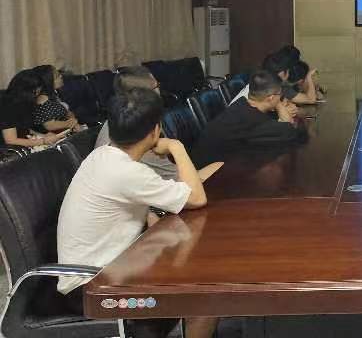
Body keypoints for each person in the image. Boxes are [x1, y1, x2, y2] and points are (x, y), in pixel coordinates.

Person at [57, 88, 217, 338]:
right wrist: (176, 146)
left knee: (192, 273)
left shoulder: (103, 156)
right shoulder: (127, 172)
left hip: (112, 269)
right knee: (203, 300)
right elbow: (197, 198)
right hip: (96, 291)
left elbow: (140, 213)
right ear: (155, 130)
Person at [94, 67, 223, 181]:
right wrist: (176, 147)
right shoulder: (140, 133)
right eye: (157, 86)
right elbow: (186, 185)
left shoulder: (113, 123)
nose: (160, 91)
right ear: (148, 95)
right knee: (219, 165)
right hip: (160, 193)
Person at [192, 71, 301, 168]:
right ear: (271, 98)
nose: (281, 98)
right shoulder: (254, 120)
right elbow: (289, 129)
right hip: (207, 175)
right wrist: (279, 105)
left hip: (206, 162)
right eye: (280, 95)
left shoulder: (242, 103)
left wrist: (277, 102)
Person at [0, 70, 63, 148]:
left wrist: (43, 135)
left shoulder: (24, 103)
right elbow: (11, 140)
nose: (38, 94)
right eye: (36, 91)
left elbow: (24, 129)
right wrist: (43, 141)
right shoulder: (7, 106)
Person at [30, 65, 80, 134]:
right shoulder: (43, 100)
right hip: (55, 136)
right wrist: (69, 123)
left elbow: (66, 112)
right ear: (48, 82)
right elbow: (49, 125)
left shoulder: (53, 93)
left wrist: (72, 119)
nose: (61, 76)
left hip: (68, 130)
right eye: (57, 76)